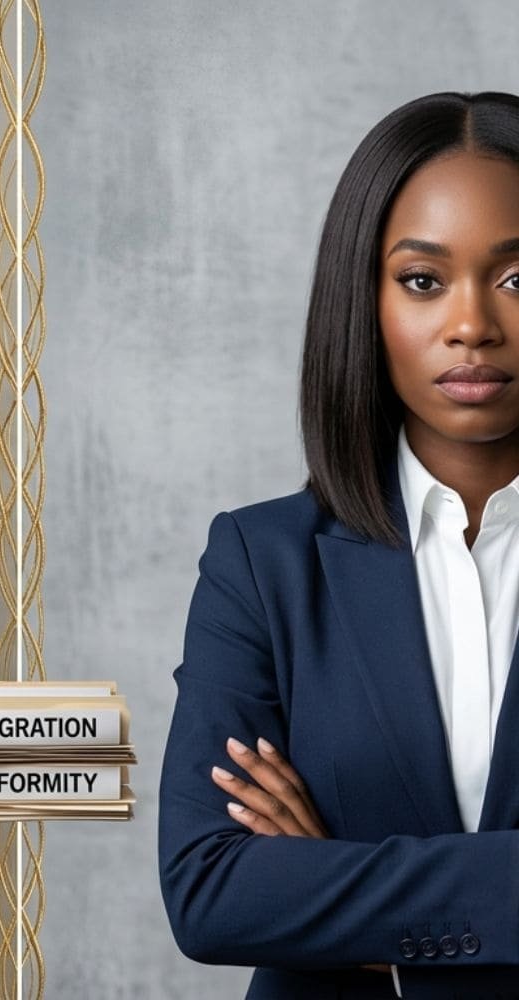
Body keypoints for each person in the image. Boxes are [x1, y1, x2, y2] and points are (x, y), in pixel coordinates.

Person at [159, 91, 519, 1000]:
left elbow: (270, 896)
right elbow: (211, 891)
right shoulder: (261, 562)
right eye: (423, 280)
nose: (472, 324)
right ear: (365, 299)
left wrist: (343, 900)